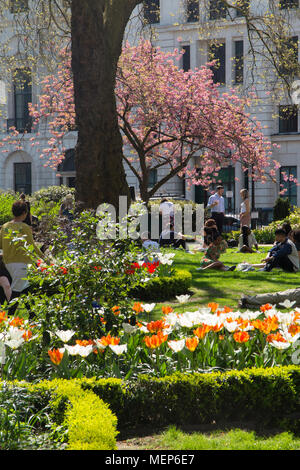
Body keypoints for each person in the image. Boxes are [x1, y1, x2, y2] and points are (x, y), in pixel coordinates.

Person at [0, 201, 47, 303]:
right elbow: (32, 246)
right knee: (17, 291)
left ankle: (32, 315)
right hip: (20, 262)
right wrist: (45, 258)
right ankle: (9, 316)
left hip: (8, 262)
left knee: (25, 289)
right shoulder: (24, 227)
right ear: (24, 213)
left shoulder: (5, 227)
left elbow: (0, 245)